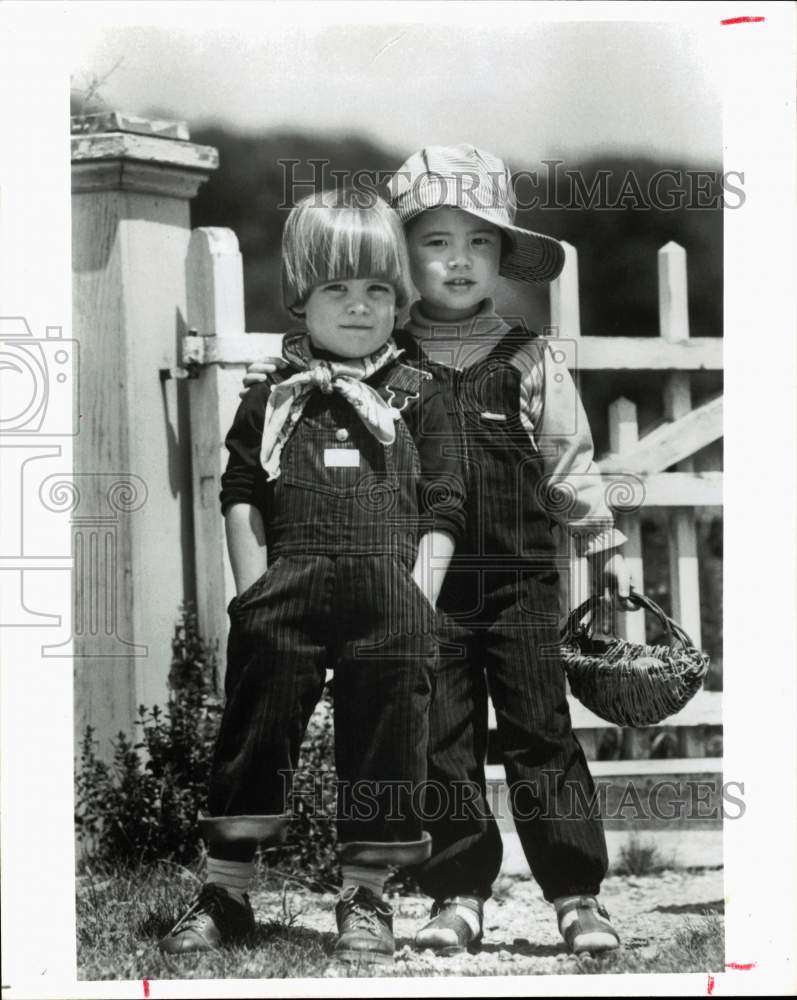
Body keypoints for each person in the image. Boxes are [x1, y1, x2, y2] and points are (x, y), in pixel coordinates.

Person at [242, 145, 634, 957]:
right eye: (435, 242)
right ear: (402, 253)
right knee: (439, 740)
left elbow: (568, 462)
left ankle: (575, 894)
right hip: (417, 588)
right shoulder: (383, 362)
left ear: (501, 258)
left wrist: (601, 542)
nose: (458, 261)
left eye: (479, 243)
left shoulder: (529, 357)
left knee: (540, 732)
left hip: (522, 584)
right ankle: (456, 892)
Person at [159, 189, 466, 967]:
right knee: (252, 741)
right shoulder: (270, 397)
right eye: (337, 288)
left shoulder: (424, 397)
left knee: (386, 749)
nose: (359, 307)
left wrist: (416, 601)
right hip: (284, 598)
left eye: (377, 290)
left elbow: (443, 508)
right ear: (301, 295)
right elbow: (240, 497)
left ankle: (366, 896)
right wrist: (254, 594)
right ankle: (225, 892)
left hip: (389, 603)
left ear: (400, 299)